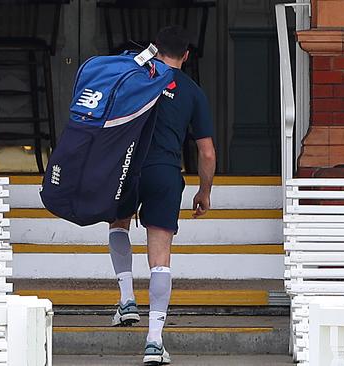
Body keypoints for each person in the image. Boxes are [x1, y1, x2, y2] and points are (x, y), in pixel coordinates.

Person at [107, 25, 216, 365]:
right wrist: (204, 192)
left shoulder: (134, 77)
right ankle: (154, 341)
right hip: (165, 174)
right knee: (161, 256)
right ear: (186, 55)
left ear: (154, 49)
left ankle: (126, 300)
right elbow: (208, 152)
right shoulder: (193, 92)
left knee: (118, 225)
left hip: (127, 166)